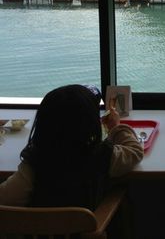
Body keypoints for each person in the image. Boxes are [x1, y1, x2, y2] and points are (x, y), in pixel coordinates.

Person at [0, 84, 144, 209]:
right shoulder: (101, 156)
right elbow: (135, 151)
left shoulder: (34, 165)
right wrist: (115, 128)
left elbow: (5, 199)